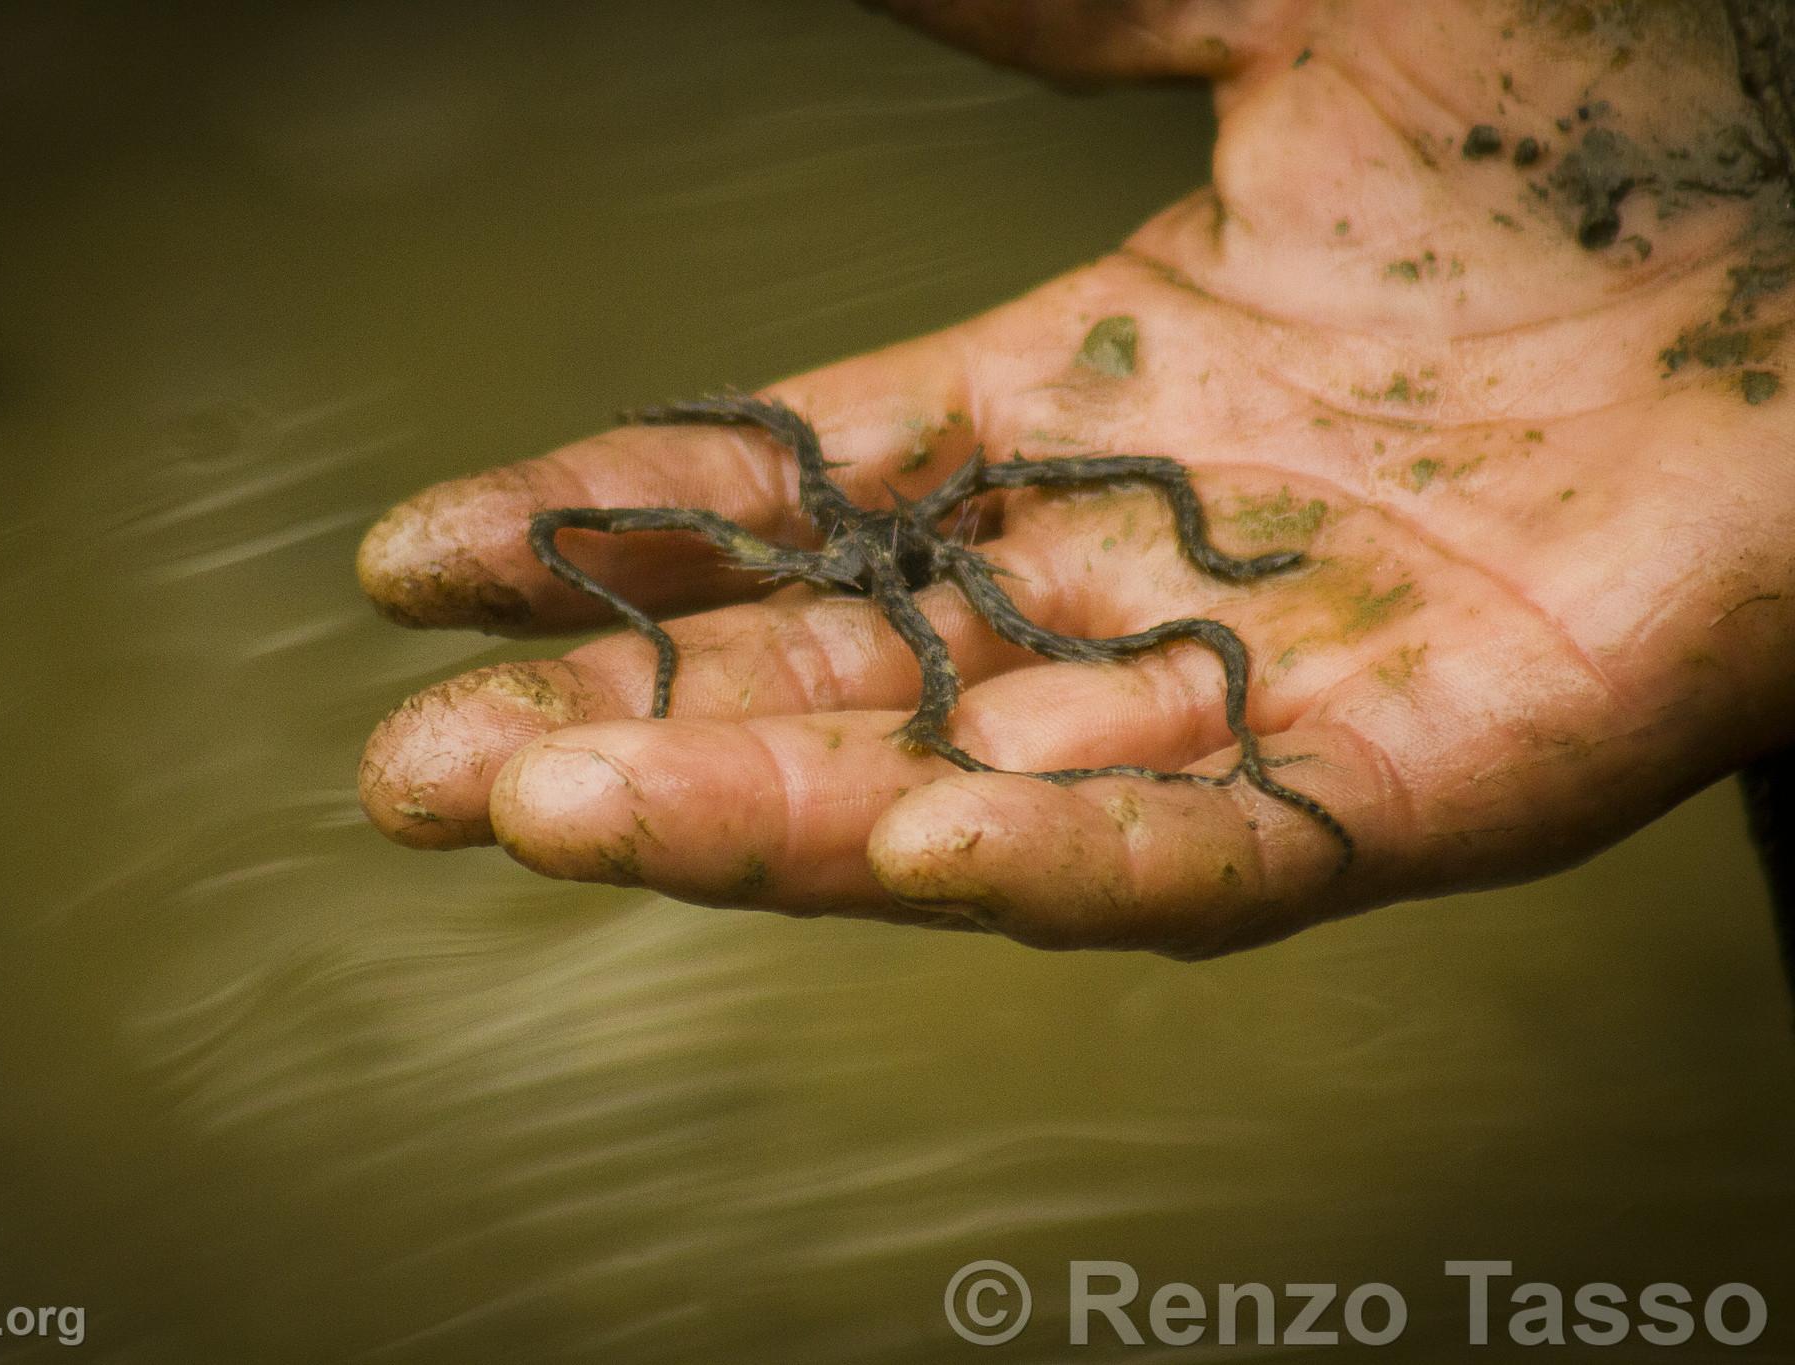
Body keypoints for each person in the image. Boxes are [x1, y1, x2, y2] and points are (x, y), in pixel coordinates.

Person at [352, 0, 1795, 960]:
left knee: (1094, 616)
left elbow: (986, 597)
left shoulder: (945, 550)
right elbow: (766, 491)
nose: (896, 578)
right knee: (668, 511)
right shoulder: (847, 538)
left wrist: (942, 693)